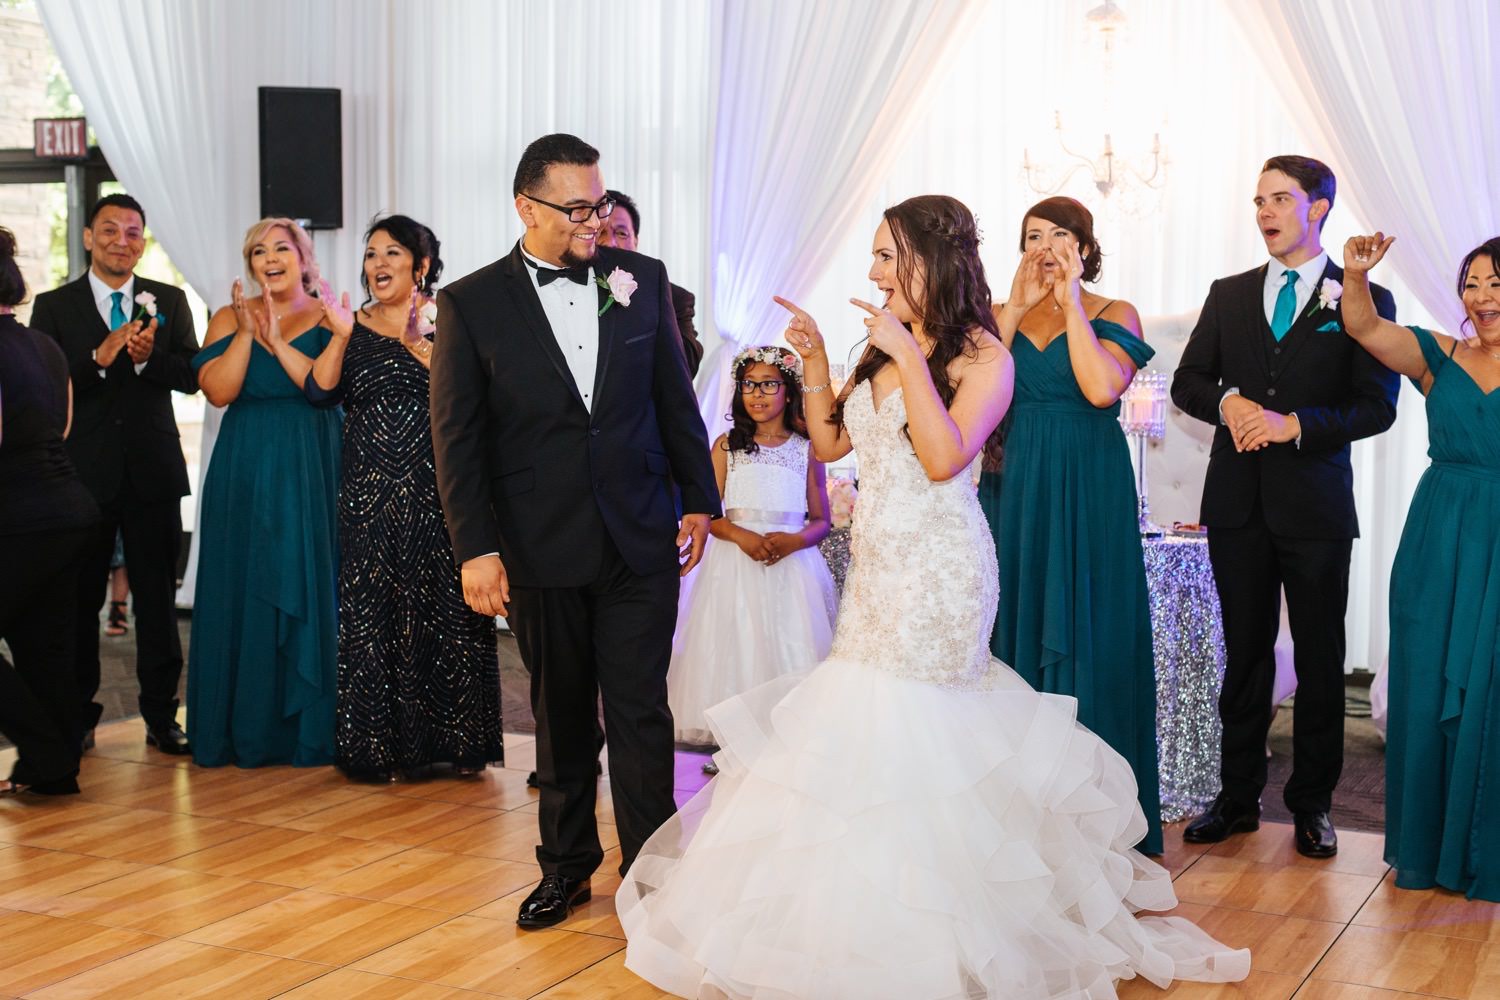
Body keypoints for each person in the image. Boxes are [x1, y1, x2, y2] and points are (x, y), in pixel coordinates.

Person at [618, 196, 1249, 998]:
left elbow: (948, 457)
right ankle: (849, 918)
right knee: (862, 719)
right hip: (880, 566)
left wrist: (910, 361)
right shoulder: (885, 347)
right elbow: (837, 441)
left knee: (916, 724)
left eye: (887, 257)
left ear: (928, 260)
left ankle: (946, 931)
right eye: (875, 258)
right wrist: (817, 362)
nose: (875, 272)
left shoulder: (985, 353)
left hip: (942, 568)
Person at [430, 133, 719, 929]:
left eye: (600, 202)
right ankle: (564, 869)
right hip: (537, 541)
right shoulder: (470, 303)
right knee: (560, 717)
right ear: (526, 208)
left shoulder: (641, 280)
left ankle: (653, 871)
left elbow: (673, 395)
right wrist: (476, 548)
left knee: (640, 712)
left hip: (640, 533)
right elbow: (455, 437)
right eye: (577, 207)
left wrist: (698, 496)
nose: (595, 219)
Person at [1171, 155, 1399, 858]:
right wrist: (1230, 401)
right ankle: (1236, 798)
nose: (1265, 211)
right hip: (1237, 507)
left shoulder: (1364, 300)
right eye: (1258, 200)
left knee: (1323, 659)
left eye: (1280, 198)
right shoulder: (1230, 292)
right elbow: (1186, 383)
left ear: (1319, 208)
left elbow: (1375, 409)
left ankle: (1312, 805)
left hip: (1316, 508)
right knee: (1243, 657)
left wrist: (1293, 425)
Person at [980, 196, 1162, 854]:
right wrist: (1016, 308)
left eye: (1061, 235)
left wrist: (1071, 301)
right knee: (1013, 627)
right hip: (1017, 482)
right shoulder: (1003, 315)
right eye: (1034, 235)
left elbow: (1097, 388)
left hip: (1089, 486)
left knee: (1093, 628)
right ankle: (1018, 816)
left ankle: (1097, 822)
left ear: (1085, 247)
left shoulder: (1117, 314)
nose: (1047, 246)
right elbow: (978, 387)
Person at [303, 215, 504, 781]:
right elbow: (319, 393)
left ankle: (458, 746)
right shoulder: (351, 323)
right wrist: (340, 337)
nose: (378, 264)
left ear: (420, 264)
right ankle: (377, 750)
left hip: (443, 494)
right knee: (374, 617)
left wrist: (422, 349)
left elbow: (480, 398)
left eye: (392, 253)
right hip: (368, 497)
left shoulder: (452, 317)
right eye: (370, 254)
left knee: (447, 615)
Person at [1339, 232, 1500, 901]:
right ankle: (1431, 847)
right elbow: (1365, 326)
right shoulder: (1439, 353)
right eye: (1472, 283)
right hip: (1441, 536)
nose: (1482, 298)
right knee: (1432, 679)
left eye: (1496, 284)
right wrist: (1354, 276)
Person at [28, 193, 200, 755]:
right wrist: (99, 360)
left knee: (155, 602)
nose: (120, 241)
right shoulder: (54, 307)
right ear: (87, 237)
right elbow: (47, 389)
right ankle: (78, 715)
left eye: (132, 233)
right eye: (110, 230)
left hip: (151, 473)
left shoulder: (168, 300)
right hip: (81, 477)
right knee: (79, 605)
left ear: (142, 243)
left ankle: (160, 715)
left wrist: (149, 360)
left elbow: (192, 375)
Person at [187, 218, 347, 768]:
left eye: (282, 248)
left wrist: (283, 339)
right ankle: (244, 730)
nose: (271, 258)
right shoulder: (228, 316)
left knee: (307, 579)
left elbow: (325, 387)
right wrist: (247, 334)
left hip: (310, 461)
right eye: (259, 251)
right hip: (246, 465)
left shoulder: (329, 318)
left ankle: (309, 730)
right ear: (250, 263)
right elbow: (219, 391)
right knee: (246, 580)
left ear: (303, 258)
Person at [668, 344, 836, 747]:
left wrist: (795, 540)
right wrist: (741, 535)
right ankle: (733, 743)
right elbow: (706, 512)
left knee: (789, 647)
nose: (757, 394)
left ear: (789, 391)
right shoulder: (727, 446)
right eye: (749, 385)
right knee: (734, 647)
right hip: (734, 566)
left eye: (768, 385)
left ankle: (783, 741)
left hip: (791, 569)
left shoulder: (808, 448)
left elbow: (822, 519)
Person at [0, 225, 100, 794]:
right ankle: (54, 768)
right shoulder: (42, 344)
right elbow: (59, 430)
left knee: (45, 646)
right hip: (68, 510)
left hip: (20, 517)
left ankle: (44, 750)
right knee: (45, 647)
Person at [599, 189, 704, 376]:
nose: (610, 243)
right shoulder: (571, 289)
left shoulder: (675, 298)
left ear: (636, 241)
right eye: (601, 233)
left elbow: (686, 368)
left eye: (621, 233)